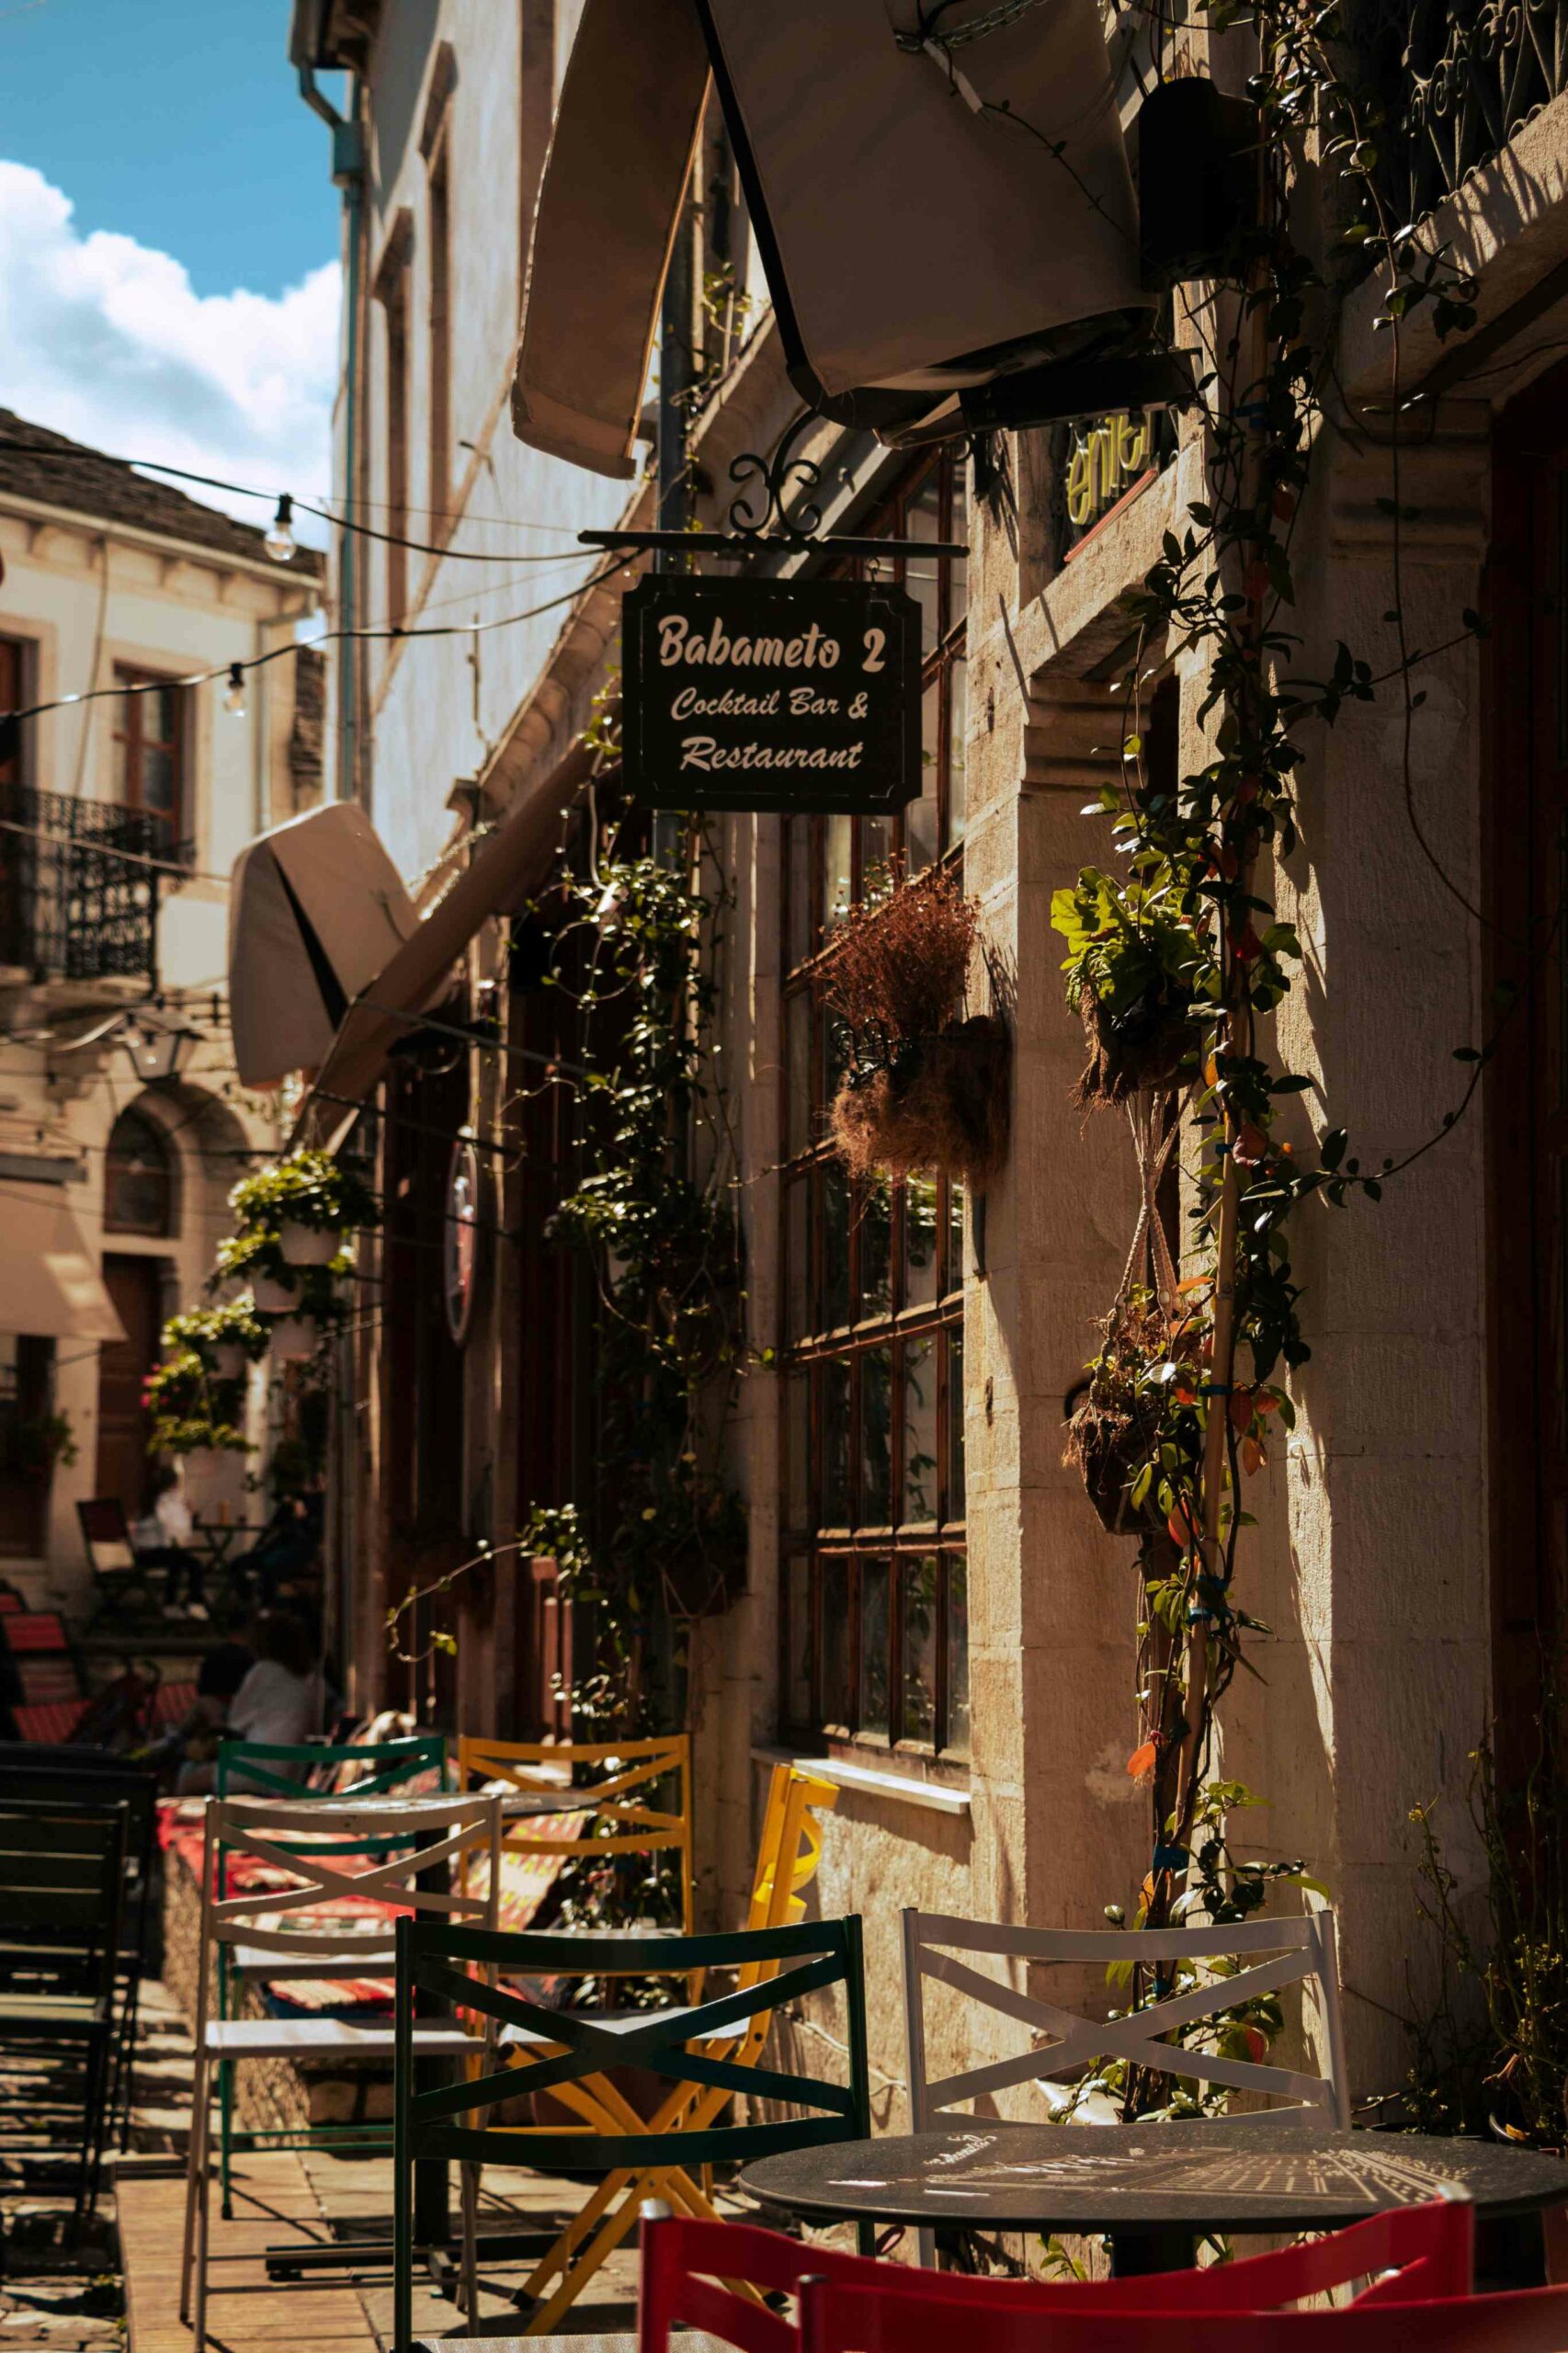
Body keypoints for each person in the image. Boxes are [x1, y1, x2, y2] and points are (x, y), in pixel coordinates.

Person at [175, 1611, 323, 1792]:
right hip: (288, 1770)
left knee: (188, 1780)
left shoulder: (264, 1672)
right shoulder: (308, 1680)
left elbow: (235, 1725)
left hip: (259, 1767)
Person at [131, 1459, 208, 1616]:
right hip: (149, 1553)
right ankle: (194, 1602)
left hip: (147, 1552)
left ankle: (171, 1602)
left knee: (178, 1561)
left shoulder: (151, 1501)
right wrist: (187, 1513)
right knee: (193, 1563)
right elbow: (174, 1529)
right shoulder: (163, 1503)